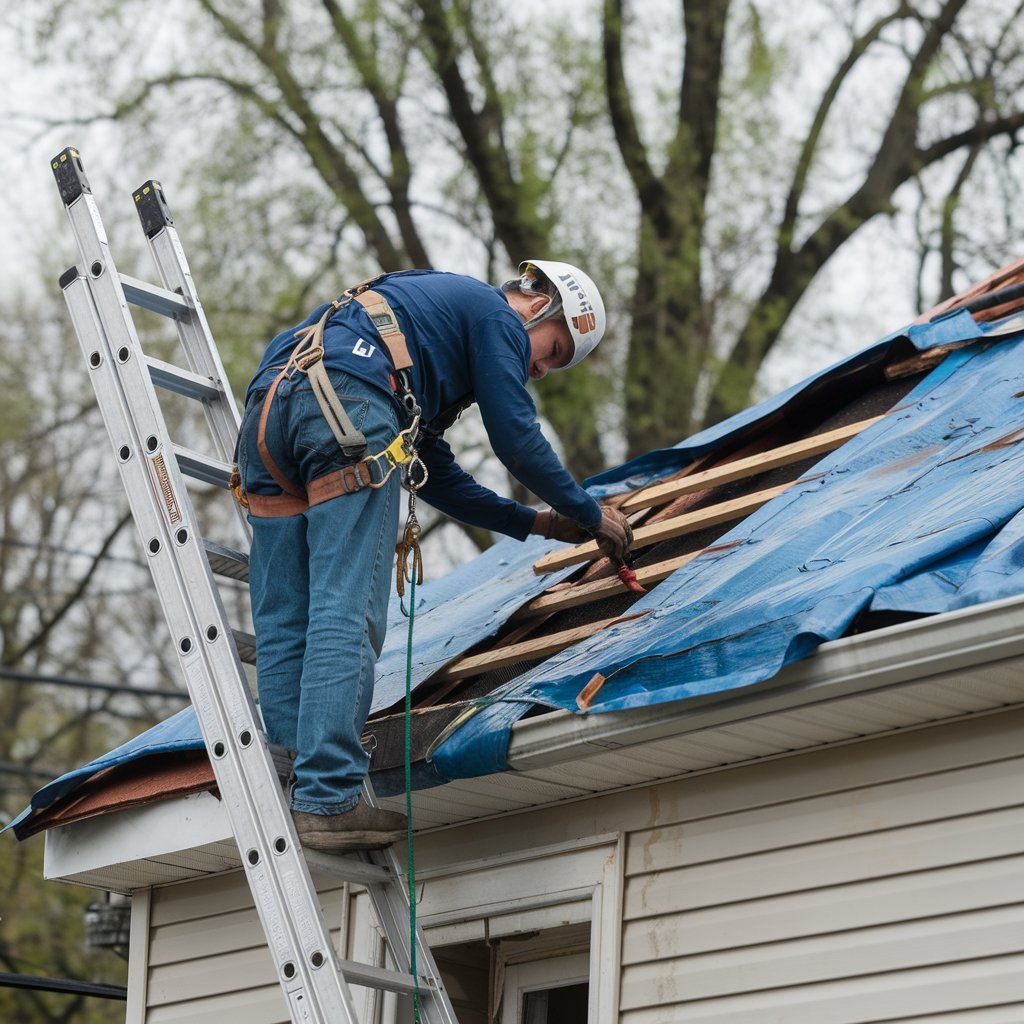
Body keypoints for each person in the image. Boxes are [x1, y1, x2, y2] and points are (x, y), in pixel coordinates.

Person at [235, 260, 632, 853]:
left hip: (272, 406)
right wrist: (589, 511)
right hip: (347, 407)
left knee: (287, 617)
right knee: (346, 608)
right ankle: (326, 797)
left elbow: (435, 474)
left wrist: (537, 523)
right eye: (553, 350)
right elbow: (517, 439)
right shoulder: (496, 315)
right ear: (539, 304)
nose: (542, 369)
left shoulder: (427, 320)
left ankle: (295, 785)